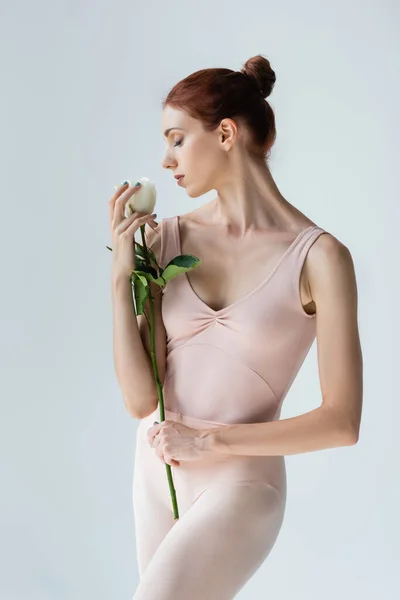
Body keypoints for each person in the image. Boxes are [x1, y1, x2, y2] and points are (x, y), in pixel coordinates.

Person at [109, 54, 363, 600]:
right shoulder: (168, 238)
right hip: (155, 472)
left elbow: (341, 423)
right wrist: (120, 278)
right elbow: (137, 397)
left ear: (225, 133)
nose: (167, 159)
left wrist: (208, 441)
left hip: (243, 483)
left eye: (177, 139)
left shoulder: (319, 259)